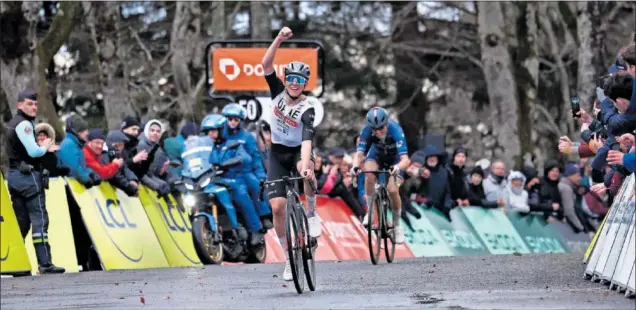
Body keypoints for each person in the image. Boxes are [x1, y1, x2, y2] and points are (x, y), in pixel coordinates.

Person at [261, 26, 321, 281]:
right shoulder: (277, 92)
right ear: (286, 81)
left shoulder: (308, 108)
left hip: (298, 151)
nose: (295, 84)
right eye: (291, 79)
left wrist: (306, 165)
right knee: (277, 209)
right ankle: (288, 258)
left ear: (304, 84)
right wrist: (279, 39)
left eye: (300, 81)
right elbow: (265, 64)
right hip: (276, 153)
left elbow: (306, 141)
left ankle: (311, 213)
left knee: (305, 171)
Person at [5, 88, 65, 274]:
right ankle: (45, 263)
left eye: (35, 104)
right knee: (39, 220)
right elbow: (34, 152)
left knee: (21, 223)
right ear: (19, 105)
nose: (33, 107)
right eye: (29, 104)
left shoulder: (12, 123)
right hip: (29, 178)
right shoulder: (24, 124)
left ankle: (16, 264)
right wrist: (45, 147)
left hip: (13, 176)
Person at [202, 114, 265, 247]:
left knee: (241, 193)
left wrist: (230, 162)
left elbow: (245, 157)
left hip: (233, 179)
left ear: (221, 130)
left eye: (213, 131)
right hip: (214, 181)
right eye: (209, 132)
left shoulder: (233, 144)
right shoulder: (207, 148)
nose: (211, 134)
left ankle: (256, 229)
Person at [350, 106, 410, 244]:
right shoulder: (366, 131)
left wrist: (397, 167)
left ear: (387, 123)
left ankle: (397, 224)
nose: (378, 132)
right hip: (376, 156)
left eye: (381, 128)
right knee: (369, 175)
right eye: (374, 129)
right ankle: (370, 212)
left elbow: (406, 160)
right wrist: (355, 166)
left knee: (392, 190)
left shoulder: (396, 130)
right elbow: (360, 154)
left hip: (395, 161)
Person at [222, 103, 273, 229]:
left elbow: (255, 159)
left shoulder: (247, 137)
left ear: (240, 121)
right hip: (224, 173)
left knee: (256, 184)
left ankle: (264, 216)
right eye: (230, 119)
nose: (232, 122)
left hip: (244, 173)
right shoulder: (220, 136)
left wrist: (261, 176)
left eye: (236, 119)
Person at [58, 115, 101, 188]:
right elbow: (73, 169)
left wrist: (91, 173)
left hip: (75, 189)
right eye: (85, 130)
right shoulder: (68, 145)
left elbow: (81, 166)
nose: (87, 133)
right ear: (78, 132)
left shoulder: (76, 145)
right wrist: (86, 179)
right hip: (70, 189)